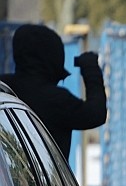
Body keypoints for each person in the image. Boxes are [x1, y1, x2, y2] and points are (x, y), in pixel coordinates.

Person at [0, 24, 107, 160]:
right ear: (54, 57)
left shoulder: (4, 88)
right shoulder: (57, 100)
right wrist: (90, 68)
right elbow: (96, 114)